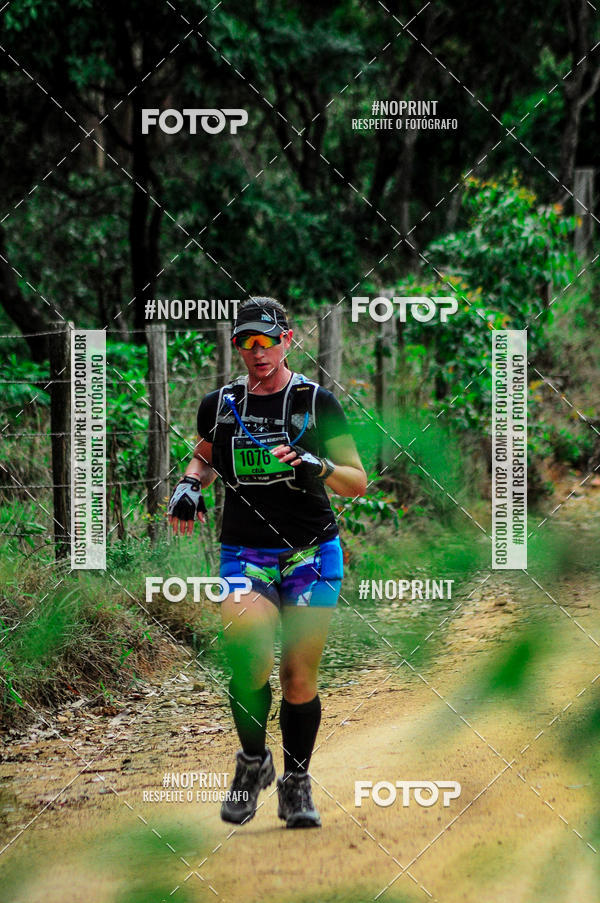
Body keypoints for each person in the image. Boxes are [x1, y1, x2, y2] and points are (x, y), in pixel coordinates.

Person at [168, 297, 366, 829]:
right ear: (236, 346)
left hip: (311, 552)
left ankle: (297, 783)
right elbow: (206, 457)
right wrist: (189, 485)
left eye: (267, 340)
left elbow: (356, 479)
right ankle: (253, 762)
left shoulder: (314, 402)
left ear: (288, 338)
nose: (258, 352)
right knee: (249, 657)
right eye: (246, 342)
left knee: (298, 675)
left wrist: (316, 466)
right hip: (246, 553)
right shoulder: (221, 403)